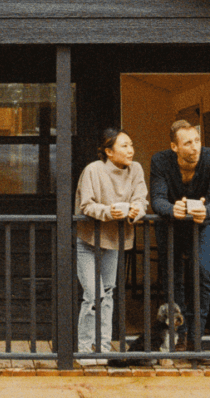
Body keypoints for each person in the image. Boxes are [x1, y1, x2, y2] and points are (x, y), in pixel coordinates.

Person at [150, 119, 210, 352]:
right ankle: (180, 336)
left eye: (197, 141)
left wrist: (207, 211)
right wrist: (170, 209)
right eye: (188, 143)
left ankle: (196, 340)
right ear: (175, 147)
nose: (195, 147)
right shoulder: (160, 160)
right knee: (172, 279)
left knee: (202, 275)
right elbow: (157, 199)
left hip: (200, 225)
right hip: (170, 226)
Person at [74, 128, 148, 364]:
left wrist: (136, 211)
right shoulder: (93, 170)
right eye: (124, 146)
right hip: (89, 241)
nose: (131, 150)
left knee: (107, 293)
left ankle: (103, 347)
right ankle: (85, 349)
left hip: (114, 240)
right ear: (108, 151)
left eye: (131, 145)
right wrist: (108, 212)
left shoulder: (135, 169)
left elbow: (141, 199)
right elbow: (86, 205)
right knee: (93, 296)